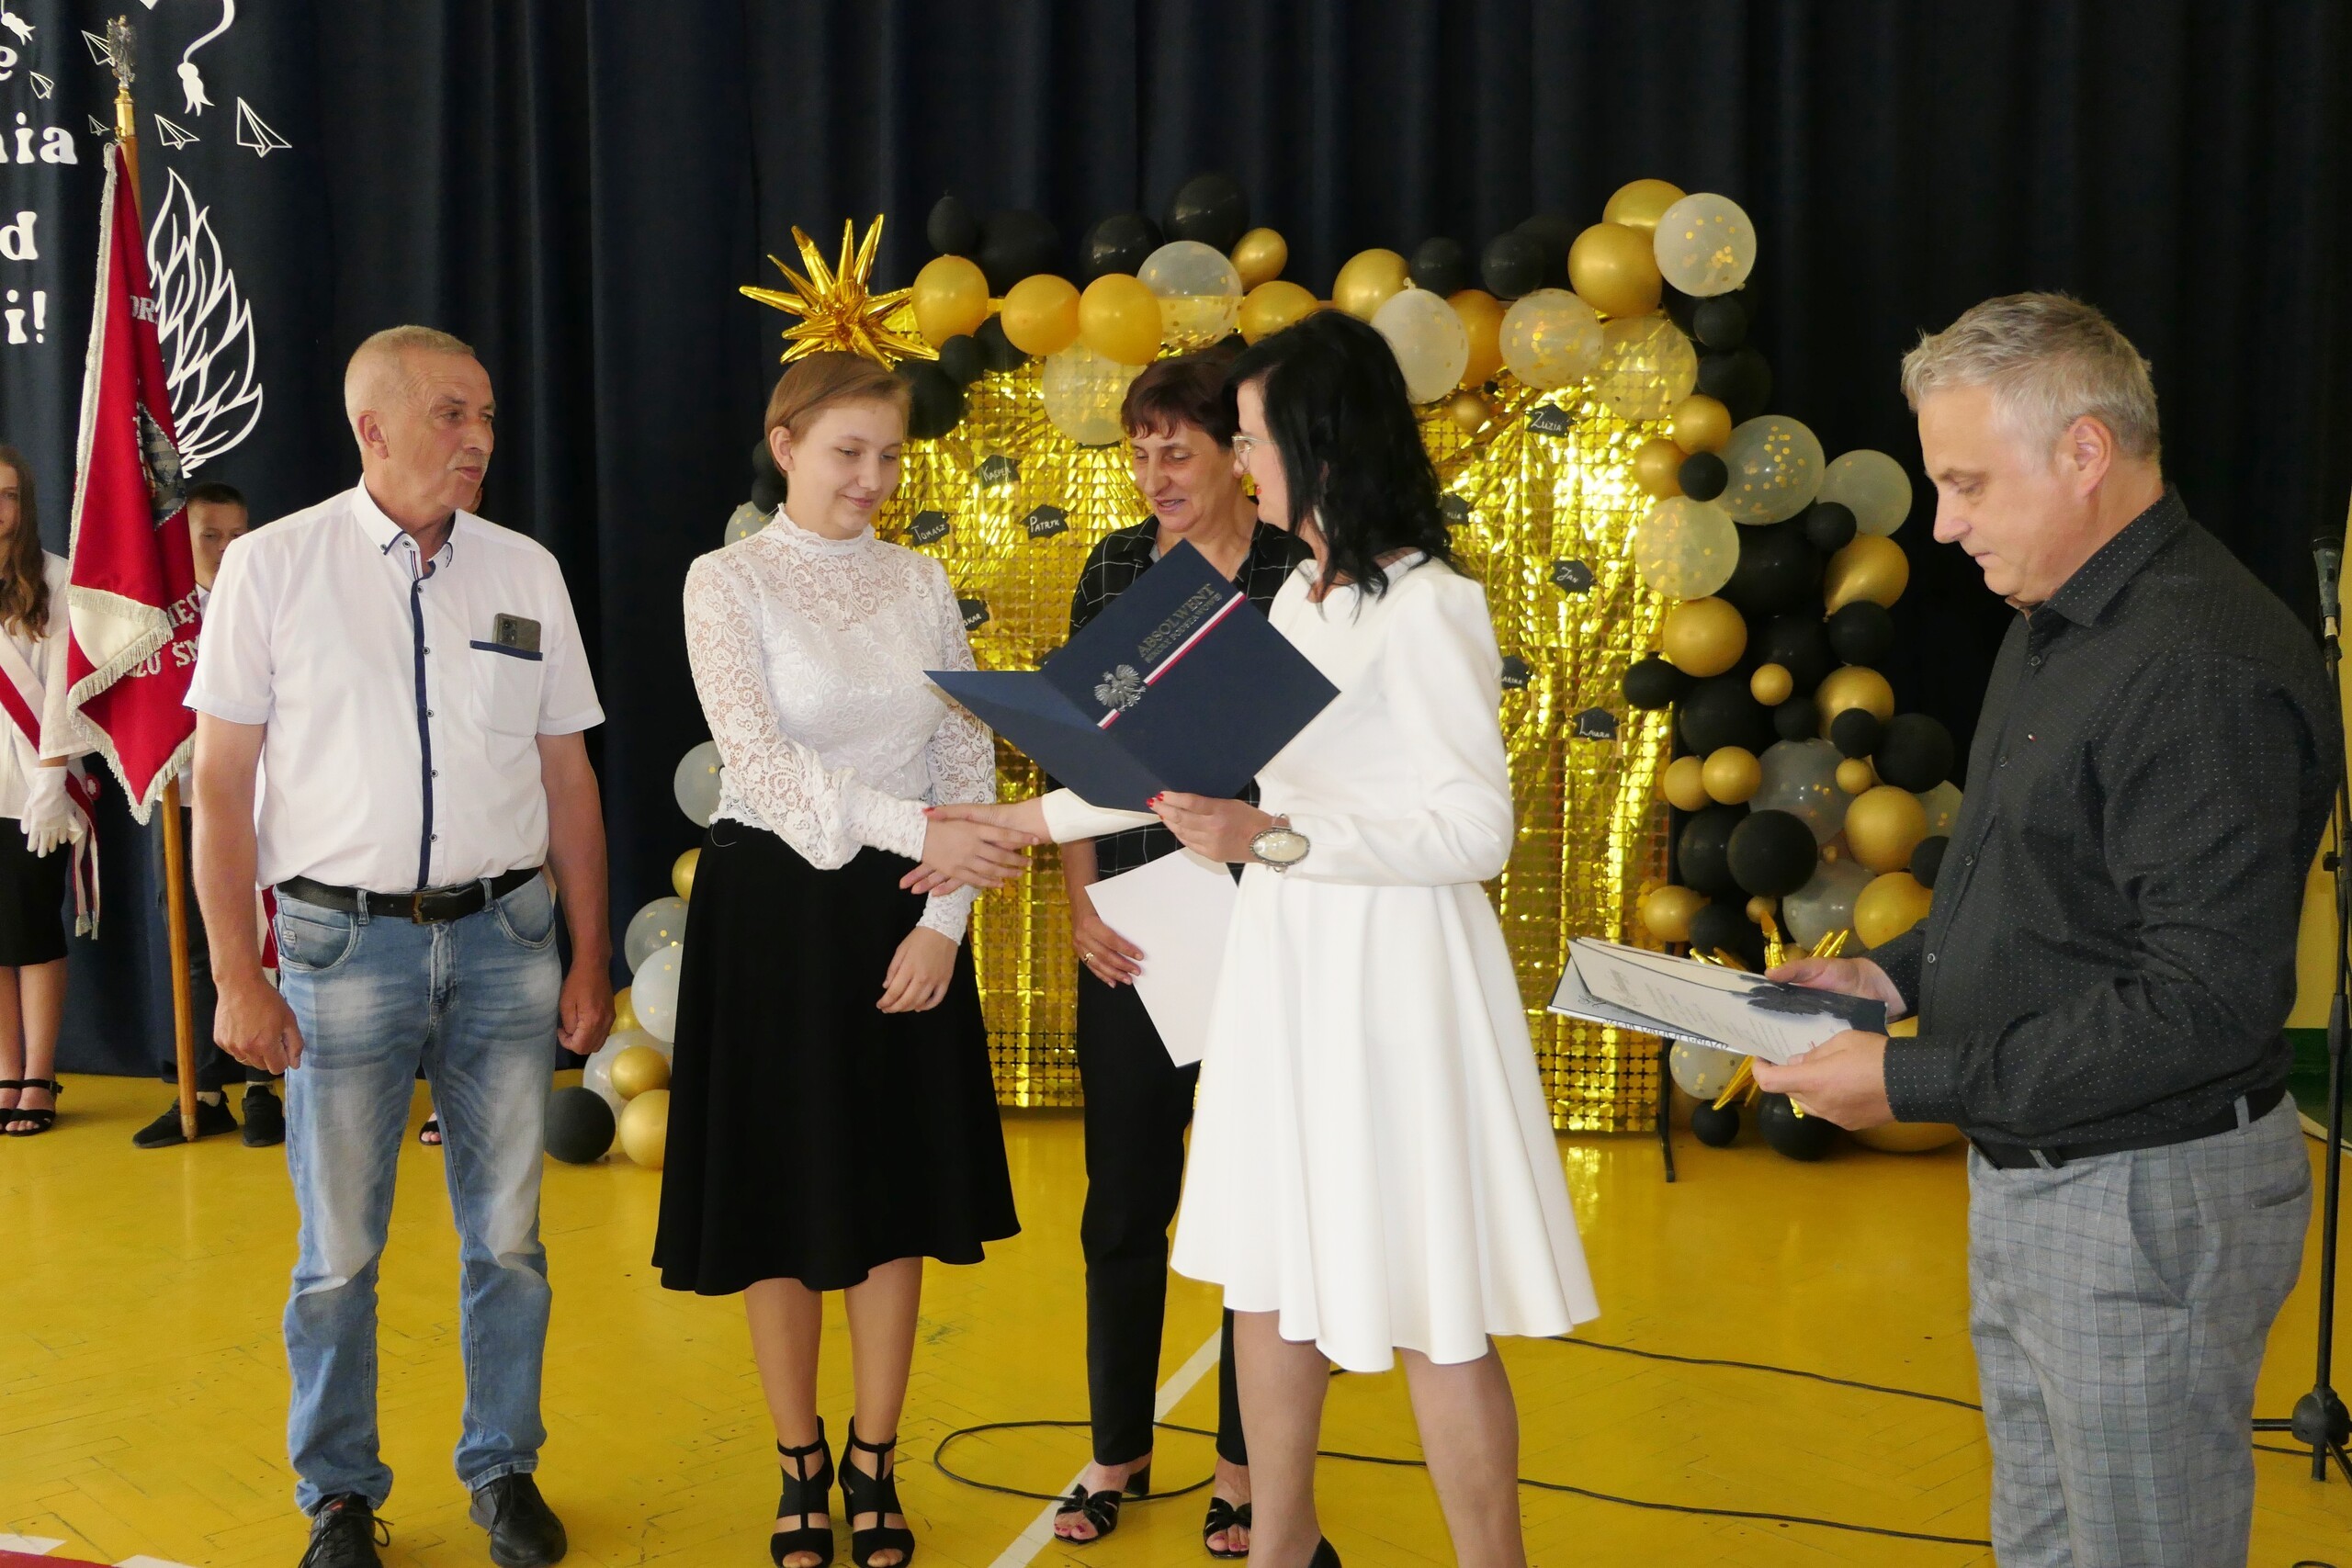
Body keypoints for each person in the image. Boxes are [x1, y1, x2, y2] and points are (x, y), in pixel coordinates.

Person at [926, 310, 1600, 1568]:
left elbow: (1474, 832)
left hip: (1391, 983)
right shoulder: (1299, 591)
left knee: (1435, 1309)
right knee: (1266, 1277)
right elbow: (1175, 763)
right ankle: (1282, 1544)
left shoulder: (1431, 603)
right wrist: (1017, 820)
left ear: (1317, 441)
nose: (1238, 458)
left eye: (1248, 437)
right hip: (1285, 969)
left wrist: (1272, 838)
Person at [1753, 292, 2333, 1568]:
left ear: (2084, 452)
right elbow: (2033, 886)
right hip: (2045, 1170)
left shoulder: (2198, 666)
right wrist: (1886, 979)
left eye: (1965, 483)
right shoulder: (2060, 618)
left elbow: (2202, 1003)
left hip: (2142, 1193)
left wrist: (1907, 1079)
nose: (1943, 523)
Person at [189, 325, 613, 1568]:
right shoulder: (272, 567)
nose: (480, 439)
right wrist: (236, 970)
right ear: (371, 428)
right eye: (450, 414)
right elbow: (221, 785)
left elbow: (568, 776)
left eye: (486, 416)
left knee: (509, 1240)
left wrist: (592, 955)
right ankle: (337, 1495)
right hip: (338, 948)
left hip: (509, 941)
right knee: (338, 1253)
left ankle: (504, 1467)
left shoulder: (526, 571)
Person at [655, 351, 1035, 1568]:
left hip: (903, 905)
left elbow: (963, 753)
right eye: (847, 452)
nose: (872, 477)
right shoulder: (725, 579)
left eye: (888, 454)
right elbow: (759, 765)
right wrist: (922, 835)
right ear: (785, 447)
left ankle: (874, 1458)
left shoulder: (920, 578)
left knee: (893, 1195)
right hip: (773, 914)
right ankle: (798, 1462)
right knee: (778, 1196)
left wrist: (941, 922)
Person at [1049, 353, 1305, 1554]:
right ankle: (1118, 1447)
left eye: (1178, 449)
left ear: (1236, 456)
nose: (1155, 474)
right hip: (1138, 930)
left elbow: (1325, 768)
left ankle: (1246, 1468)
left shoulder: (1294, 571)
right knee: (1122, 1200)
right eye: (1139, 451)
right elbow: (1073, 757)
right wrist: (1082, 906)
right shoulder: (1113, 567)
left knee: (1257, 1209)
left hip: (1269, 925)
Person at [132, 479, 285, 1148]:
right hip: (185, 802)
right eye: (210, 536)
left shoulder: (268, 605)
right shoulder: (160, 619)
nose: (226, 548)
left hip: (259, 805)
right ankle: (201, 1090)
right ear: (183, 540)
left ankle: (260, 1087)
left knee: (259, 943)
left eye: (237, 534)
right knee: (192, 949)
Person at [0, 445, 88, 1136]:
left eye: (8, 495)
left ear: (24, 504)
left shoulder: (56, 577)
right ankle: (6, 1070)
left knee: (30, 927)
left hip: (35, 787)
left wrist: (54, 778)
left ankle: (39, 1072)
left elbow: (64, 687)